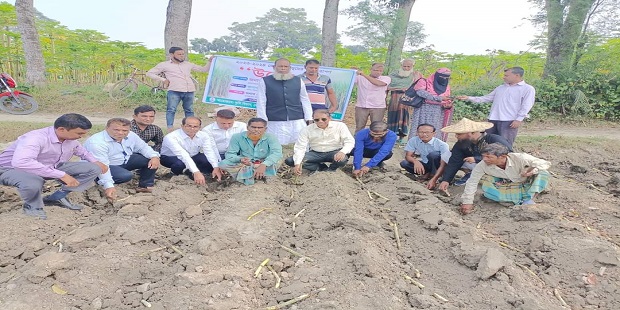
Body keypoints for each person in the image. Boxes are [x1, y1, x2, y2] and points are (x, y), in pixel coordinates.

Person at [0, 114, 107, 219]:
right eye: (79, 133)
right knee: (34, 182)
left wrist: (95, 161)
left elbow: (81, 151)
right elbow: (22, 163)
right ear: (61, 129)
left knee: (94, 168)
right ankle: (32, 206)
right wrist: (61, 175)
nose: (81, 137)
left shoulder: (70, 139)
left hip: (50, 167)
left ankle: (57, 197)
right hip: (13, 169)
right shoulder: (35, 138)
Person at [460, 143, 550, 215]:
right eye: (483, 156)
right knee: (487, 183)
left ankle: (530, 198)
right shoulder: (482, 165)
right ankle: (512, 200)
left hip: (526, 180)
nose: (484, 159)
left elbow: (544, 163)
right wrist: (467, 202)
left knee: (543, 173)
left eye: (489, 157)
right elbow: (472, 182)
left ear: (502, 157)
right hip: (506, 184)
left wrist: (532, 171)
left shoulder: (520, 158)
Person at [84, 118, 161, 201]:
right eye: (116, 130)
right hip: (101, 166)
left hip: (123, 160)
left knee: (150, 160)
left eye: (125, 130)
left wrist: (154, 157)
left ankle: (145, 186)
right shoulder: (97, 143)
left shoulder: (131, 135)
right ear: (107, 128)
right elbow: (102, 166)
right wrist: (109, 186)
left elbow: (143, 147)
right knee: (125, 176)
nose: (120, 133)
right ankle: (97, 179)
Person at [456, 67, 535, 146]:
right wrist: (469, 98)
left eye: (506, 75)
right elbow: (487, 98)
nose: (504, 77)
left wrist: (518, 119)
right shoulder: (501, 88)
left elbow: (527, 105)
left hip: (509, 120)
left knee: (504, 144)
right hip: (493, 119)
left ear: (517, 75)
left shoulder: (527, 89)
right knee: (487, 142)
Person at [147, 47, 212, 131]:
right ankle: (170, 128)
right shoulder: (164, 65)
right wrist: (163, 80)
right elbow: (149, 73)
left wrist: (210, 61)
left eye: (183, 54)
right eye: (179, 54)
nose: (182, 56)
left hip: (189, 90)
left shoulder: (188, 64)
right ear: (171, 54)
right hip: (174, 90)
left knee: (189, 110)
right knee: (171, 109)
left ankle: (190, 127)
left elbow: (203, 69)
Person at [438, 118, 513, 192]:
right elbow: (454, 161)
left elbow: (509, 154)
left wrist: (477, 159)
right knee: (447, 156)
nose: (456, 136)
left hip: (497, 167)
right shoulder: (461, 143)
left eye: (459, 134)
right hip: (476, 166)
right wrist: (446, 180)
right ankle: (471, 175)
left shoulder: (493, 139)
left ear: (472, 133)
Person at [257, 58, 313, 145]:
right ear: (274, 67)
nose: (283, 68)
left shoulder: (298, 80)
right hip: (275, 119)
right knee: (275, 144)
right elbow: (261, 101)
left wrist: (309, 117)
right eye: (280, 66)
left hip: (296, 118)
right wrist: (262, 119)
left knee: (301, 143)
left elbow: (305, 99)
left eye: (286, 66)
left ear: (289, 68)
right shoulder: (265, 81)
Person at [285, 109, 355, 174]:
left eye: (324, 119)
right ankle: (320, 168)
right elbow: (300, 147)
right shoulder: (306, 130)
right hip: (315, 153)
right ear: (313, 120)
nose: (320, 121)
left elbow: (349, 141)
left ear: (329, 118)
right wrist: (297, 163)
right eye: (317, 120)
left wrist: (342, 152)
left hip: (334, 152)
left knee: (342, 160)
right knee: (291, 161)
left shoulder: (340, 126)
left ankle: (331, 170)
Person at [219, 118, 282, 185]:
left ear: (265, 129)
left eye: (260, 128)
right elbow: (229, 154)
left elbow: (277, 153)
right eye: (253, 127)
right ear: (247, 127)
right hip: (246, 163)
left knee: (277, 160)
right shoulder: (237, 137)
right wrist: (240, 159)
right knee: (223, 164)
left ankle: (247, 175)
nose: (256, 130)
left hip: (264, 162)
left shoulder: (271, 137)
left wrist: (264, 164)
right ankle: (261, 174)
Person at [160, 116, 222, 185]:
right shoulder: (171, 137)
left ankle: (197, 173)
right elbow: (183, 155)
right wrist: (196, 172)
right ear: (182, 126)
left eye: (195, 126)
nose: (192, 129)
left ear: (199, 127)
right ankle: (173, 175)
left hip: (193, 155)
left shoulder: (204, 135)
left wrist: (216, 167)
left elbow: (209, 151)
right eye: (188, 126)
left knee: (206, 160)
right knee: (179, 164)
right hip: (171, 157)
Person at [408, 68, 454, 142]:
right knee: (421, 128)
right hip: (423, 110)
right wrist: (437, 98)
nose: (444, 79)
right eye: (442, 77)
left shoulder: (447, 87)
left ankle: (433, 149)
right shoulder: (424, 82)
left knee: (435, 129)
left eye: (447, 77)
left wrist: (447, 105)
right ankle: (416, 148)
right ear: (436, 75)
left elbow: (446, 99)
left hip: (438, 112)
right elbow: (420, 92)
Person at [400, 124, 451, 190]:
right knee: (404, 163)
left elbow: (443, 164)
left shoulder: (442, 145)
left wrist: (434, 179)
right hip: (425, 164)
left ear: (433, 133)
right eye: (421, 132)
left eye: (427, 132)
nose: (424, 134)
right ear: (417, 132)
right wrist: (416, 161)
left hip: (438, 166)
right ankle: (427, 173)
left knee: (433, 155)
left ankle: (434, 176)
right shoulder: (414, 140)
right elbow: (408, 156)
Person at [387, 59, 422, 144]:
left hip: (408, 99)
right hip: (395, 97)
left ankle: (402, 138)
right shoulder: (393, 74)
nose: (406, 68)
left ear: (412, 66)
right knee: (393, 116)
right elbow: (387, 86)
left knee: (404, 117)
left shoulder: (416, 74)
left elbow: (419, 86)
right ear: (401, 66)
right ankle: (392, 137)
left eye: (408, 66)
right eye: (404, 66)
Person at [353, 63, 391, 132]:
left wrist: (363, 74)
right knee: (359, 127)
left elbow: (378, 83)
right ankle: (358, 142)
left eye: (380, 71)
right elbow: (349, 80)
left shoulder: (386, 78)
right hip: (361, 106)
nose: (378, 72)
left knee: (376, 128)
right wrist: (352, 71)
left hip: (378, 107)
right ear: (371, 69)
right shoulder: (360, 78)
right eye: (376, 70)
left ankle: (375, 142)